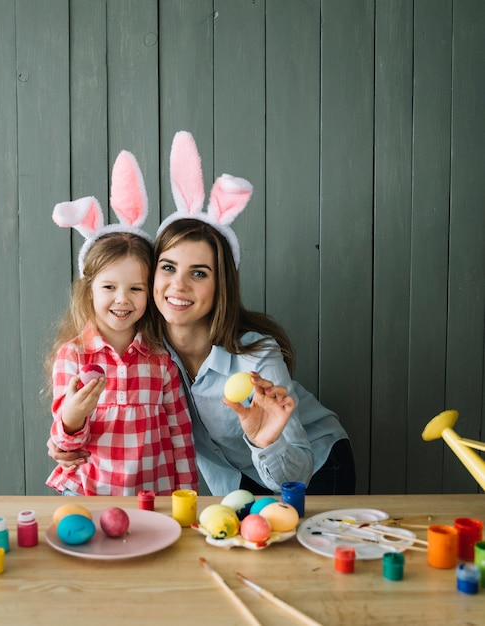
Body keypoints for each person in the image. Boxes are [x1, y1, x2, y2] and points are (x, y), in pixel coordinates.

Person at [49, 131, 355, 496]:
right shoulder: (147, 354)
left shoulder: (257, 357)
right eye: (167, 268)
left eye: (198, 273)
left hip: (314, 468)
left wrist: (265, 440)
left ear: (220, 284)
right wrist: (65, 439)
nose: (178, 286)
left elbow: (295, 475)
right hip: (235, 481)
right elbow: (104, 419)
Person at [45, 149, 198, 496]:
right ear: (89, 291)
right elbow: (64, 445)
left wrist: (187, 497)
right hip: (89, 492)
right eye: (109, 287)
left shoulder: (160, 361)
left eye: (135, 288)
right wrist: (72, 415)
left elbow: (180, 436)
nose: (122, 299)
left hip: (153, 494)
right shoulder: (74, 356)